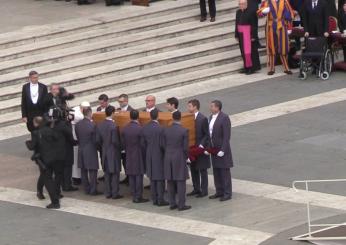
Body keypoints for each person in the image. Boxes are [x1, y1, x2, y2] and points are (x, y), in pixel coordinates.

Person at [161, 111, 191, 211]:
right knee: (180, 181)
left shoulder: (166, 130)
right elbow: (186, 148)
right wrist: (186, 157)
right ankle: (181, 204)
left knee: (170, 181)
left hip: (168, 156)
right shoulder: (184, 130)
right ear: (180, 118)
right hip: (179, 156)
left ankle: (172, 203)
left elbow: (162, 144)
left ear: (172, 118)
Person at [258, 0, 294, 75]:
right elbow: (259, 14)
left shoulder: (284, 1)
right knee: (271, 47)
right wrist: (263, 11)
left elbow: (289, 13)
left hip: (282, 26)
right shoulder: (266, 2)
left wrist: (289, 27)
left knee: (283, 47)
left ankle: (286, 67)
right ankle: (271, 68)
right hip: (271, 26)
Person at [141, 110, 169, 206]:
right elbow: (163, 144)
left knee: (152, 178)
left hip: (149, 154)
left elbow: (142, 144)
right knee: (160, 178)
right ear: (157, 116)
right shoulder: (161, 128)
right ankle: (160, 199)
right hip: (159, 155)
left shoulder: (145, 128)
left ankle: (154, 198)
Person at [96, 106, 123, 199]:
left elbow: (98, 140)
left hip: (105, 151)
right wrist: (121, 148)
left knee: (107, 174)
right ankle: (115, 193)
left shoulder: (100, 125)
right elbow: (115, 141)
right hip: (113, 152)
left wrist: (102, 148)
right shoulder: (113, 126)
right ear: (112, 113)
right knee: (115, 173)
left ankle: (108, 192)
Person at [208, 100, 233, 202]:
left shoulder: (224, 118)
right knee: (216, 171)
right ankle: (219, 191)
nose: (210, 108)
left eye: (212, 106)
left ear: (217, 107)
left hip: (222, 149)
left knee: (224, 171)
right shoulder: (210, 117)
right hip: (214, 149)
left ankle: (227, 193)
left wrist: (223, 149)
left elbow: (226, 136)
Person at [121, 110, 148, 203]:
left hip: (129, 154)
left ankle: (133, 193)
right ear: (138, 117)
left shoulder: (125, 128)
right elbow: (143, 144)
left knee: (131, 175)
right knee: (138, 176)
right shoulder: (140, 129)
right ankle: (138, 196)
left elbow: (123, 143)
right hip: (138, 154)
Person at [187, 99, 210, 198]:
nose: (188, 108)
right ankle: (196, 188)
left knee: (202, 169)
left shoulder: (202, 118)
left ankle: (204, 190)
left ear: (195, 107)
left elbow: (206, 134)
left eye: (189, 106)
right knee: (193, 169)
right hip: (192, 148)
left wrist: (201, 145)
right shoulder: (188, 118)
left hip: (200, 148)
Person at [75, 107, 101, 195]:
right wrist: (98, 148)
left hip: (81, 149)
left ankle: (86, 188)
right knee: (93, 171)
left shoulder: (78, 124)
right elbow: (96, 140)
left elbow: (78, 136)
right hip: (90, 149)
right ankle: (93, 190)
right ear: (90, 113)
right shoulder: (93, 125)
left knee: (83, 170)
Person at [235, 0, 261, 75]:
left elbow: (254, 25)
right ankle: (246, 67)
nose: (241, 5)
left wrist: (254, 36)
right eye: (240, 4)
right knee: (243, 52)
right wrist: (236, 34)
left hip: (248, 34)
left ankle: (252, 68)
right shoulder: (238, 12)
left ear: (246, 4)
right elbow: (236, 24)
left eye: (243, 4)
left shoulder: (251, 12)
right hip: (240, 34)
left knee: (249, 52)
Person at [117, 93, 134, 184]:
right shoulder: (117, 111)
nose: (119, 103)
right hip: (120, 141)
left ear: (126, 101)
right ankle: (127, 176)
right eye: (119, 101)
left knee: (129, 161)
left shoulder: (132, 111)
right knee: (124, 160)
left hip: (129, 141)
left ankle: (130, 177)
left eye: (121, 101)